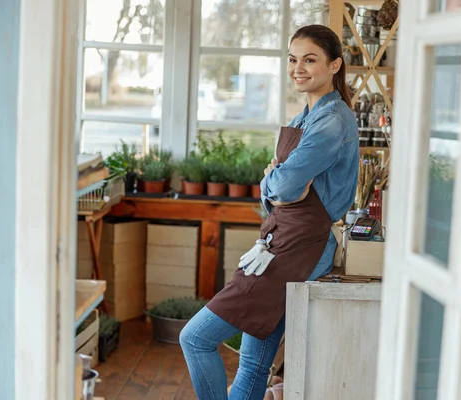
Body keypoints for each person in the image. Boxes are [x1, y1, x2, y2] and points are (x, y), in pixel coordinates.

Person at [179, 24, 359, 400]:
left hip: (298, 249)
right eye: (293, 59)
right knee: (255, 364)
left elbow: (284, 184)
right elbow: (277, 192)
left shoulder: (332, 120)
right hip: (280, 240)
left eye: (310, 60)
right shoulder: (303, 119)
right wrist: (276, 188)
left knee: (194, 338)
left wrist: (273, 183)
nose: (298, 68)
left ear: (335, 65)